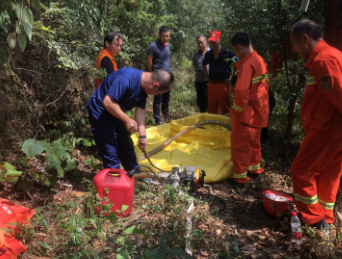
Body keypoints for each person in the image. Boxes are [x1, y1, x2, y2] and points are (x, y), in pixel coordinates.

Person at [290, 20, 342, 230]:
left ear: (305, 39)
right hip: (335, 131)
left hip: (328, 130)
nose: (295, 50)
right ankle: (325, 221)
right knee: (328, 175)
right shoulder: (333, 55)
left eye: (295, 44)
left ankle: (313, 219)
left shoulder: (324, 60)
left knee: (301, 171)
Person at [88, 67, 174, 172]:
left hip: (116, 112)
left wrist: (142, 136)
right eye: (158, 93)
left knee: (125, 144)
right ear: (155, 85)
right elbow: (108, 102)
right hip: (101, 112)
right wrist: (126, 119)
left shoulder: (144, 87)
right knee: (109, 148)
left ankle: (134, 173)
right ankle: (114, 179)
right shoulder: (126, 79)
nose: (156, 95)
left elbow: (141, 111)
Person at [229, 32, 269, 184]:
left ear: (239, 47)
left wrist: (237, 112)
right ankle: (254, 169)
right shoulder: (260, 61)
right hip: (259, 112)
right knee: (254, 143)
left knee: (240, 145)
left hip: (246, 114)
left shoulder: (247, 65)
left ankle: (239, 177)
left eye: (235, 50)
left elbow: (241, 91)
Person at [202, 30, 236, 115]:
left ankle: (226, 127)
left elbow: (238, 65)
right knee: (212, 110)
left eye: (215, 41)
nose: (213, 44)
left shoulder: (227, 53)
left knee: (226, 110)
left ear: (219, 40)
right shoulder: (208, 54)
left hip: (223, 85)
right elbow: (203, 64)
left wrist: (232, 78)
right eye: (211, 42)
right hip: (211, 85)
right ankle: (213, 127)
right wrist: (207, 76)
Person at [146, 26, 171, 125]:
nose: (166, 38)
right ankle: (158, 120)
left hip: (167, 77)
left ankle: (166, 116)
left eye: (168, 36)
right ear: (159, 35)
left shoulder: (167, 46)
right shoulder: (153, 46)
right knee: (158, 99)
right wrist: (153, 74)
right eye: (164, 36)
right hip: (158, 77)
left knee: (166, 98)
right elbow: (149, 62)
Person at [192, 35, 210, 112]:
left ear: (206, 42)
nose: (200, 45)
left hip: (209, 82)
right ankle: (203, 117)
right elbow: (195, 66)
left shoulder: (211, 53)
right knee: (201, 101)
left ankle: (210, 119)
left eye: (202, 43)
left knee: (209, 101)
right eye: (198, 43)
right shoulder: (196, 55)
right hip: (199, 82)